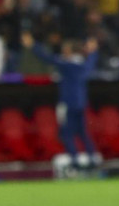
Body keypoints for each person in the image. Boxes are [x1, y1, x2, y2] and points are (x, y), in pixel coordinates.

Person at [24, 32, 100, 171]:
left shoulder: (66, 64)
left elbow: (47, 58)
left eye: (65, 49)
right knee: (83, 133)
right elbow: (91, 62)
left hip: (68, 103)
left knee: (67, 134)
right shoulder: (84, 65)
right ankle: (92, 159)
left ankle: (75, 161)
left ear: (69, 51)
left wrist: (33, 45)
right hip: (81, 103)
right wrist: (93, 52)